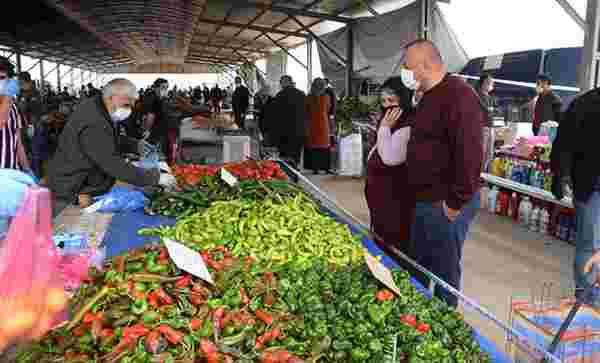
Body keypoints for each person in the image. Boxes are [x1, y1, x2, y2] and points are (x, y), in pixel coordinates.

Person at [403, 39, 485, 307]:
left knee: (444, 272)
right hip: (425, 198)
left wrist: (455, 203)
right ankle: (418, 319)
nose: (405, 71)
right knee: (420, 265)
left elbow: (471, 155)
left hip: (446, 201)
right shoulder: (429, 96)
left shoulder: (460, 96)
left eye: (408, 65)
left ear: (425, 65)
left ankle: (444, 324)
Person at [47, 78, 176, 217]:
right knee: (70, 226)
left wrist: (134, 144)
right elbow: (111, 163)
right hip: (71, 190)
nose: (130, 109)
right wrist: (155, 178)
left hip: (81, 183)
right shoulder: (95, 120)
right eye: (127, 104)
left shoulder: (99, 108)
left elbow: (106, 140)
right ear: (113, 98)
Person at [551, 88, 600, 304]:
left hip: (587, 186)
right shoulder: (584, 103)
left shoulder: (582, 102)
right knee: (588, 245)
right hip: (591, 187)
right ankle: (587, 299)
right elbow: (563, 144)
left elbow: (562, 144)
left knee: (588, 244)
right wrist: (560, 176)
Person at [364, 76, 416, 270]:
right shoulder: (392, 123)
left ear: (403, 99)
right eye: (383, 101)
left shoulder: (408, 125)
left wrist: (384, 128)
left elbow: (390, 158)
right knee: (381, 237)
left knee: (393, 243)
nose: (387, 107)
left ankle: (393, 274)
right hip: (381, 197)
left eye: (392, 101)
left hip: (395, 199)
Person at [264, 75, 306, 168]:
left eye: (280, 82)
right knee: (296, 155)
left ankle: (287, 173)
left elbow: (274, 116)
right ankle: (295, 171)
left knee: (285, 156)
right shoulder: (301, 94)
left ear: (283, 83)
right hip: (299, 130)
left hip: (284, 133)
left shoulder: (280, 96)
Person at [0, 58, 31, 174]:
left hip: (12, 173)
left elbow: (17, 142)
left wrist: (27, 169)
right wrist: (8, 97)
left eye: (2, 78)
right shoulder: (9, 103)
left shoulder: (13, 108)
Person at [17, 72, 45, 178]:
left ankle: (37, 178)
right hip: (25, 126)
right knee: (26, 153)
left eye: (19, 81)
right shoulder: (22, 92)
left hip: (34, 126)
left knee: (35, 154)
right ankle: (30, 176)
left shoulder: (33, 93)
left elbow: (33, 111)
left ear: (23, 81)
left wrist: (32, 126)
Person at [304, 78, 332, 174]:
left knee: (314, 146)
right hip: (323, 123)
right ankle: (326, 168)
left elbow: (306, 110)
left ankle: (315, 168)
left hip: (311, 124)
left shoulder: (308, 97)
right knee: (325, 146)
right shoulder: (326, 97)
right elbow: (328, 109)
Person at [144, 78, 172, 162]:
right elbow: (150, 116)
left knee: (161, 156)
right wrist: (147, 130)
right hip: (156, 134)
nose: (165, 90)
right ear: (156, 88)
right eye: (163, 87)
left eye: (167, 87)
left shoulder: (161, 99)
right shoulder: (154, 99)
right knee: (158, 157)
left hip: (162, 132)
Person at [477, 73, 496, 172]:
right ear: (483, 83)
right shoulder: (478, 95)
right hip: (483, 127)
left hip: (491, 127)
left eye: (492, 82)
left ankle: (483, 173)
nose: (491, 84)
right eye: (489, 82)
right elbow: (486, 111)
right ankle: (478, 173)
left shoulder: (490, 98)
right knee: (482, 152)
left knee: (489, 153)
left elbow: (493, 112)